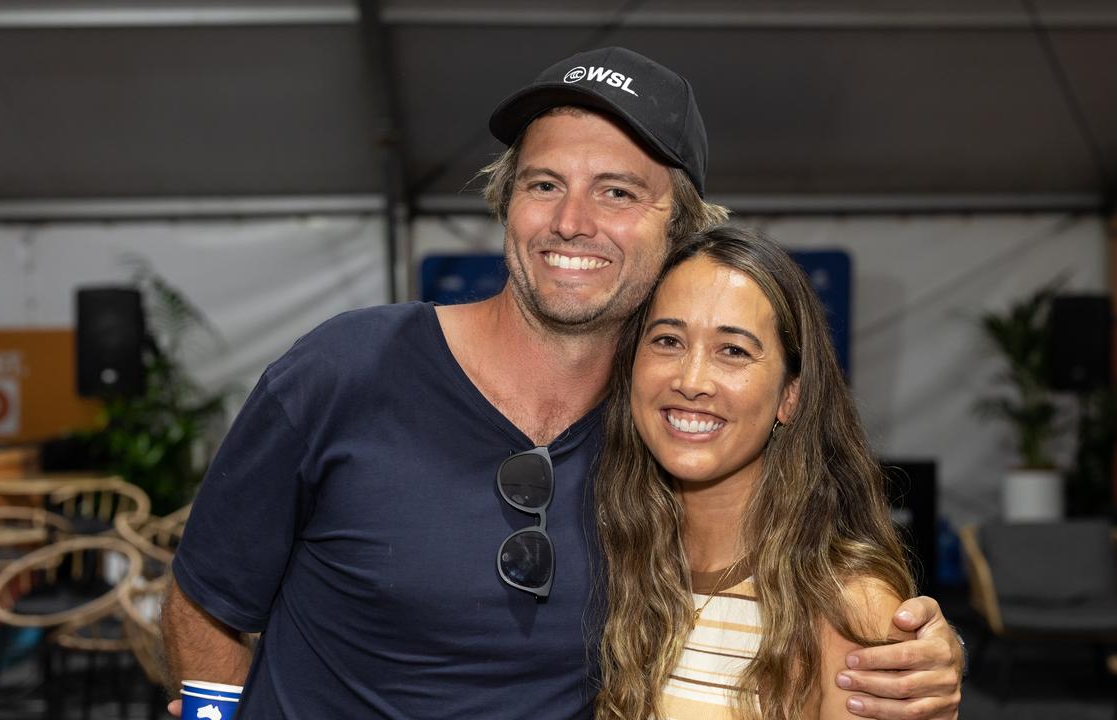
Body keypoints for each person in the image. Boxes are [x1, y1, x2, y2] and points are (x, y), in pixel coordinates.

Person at [162, 47, 962, 719]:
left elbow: (777, 584)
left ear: (680, 228)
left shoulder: (668, 428)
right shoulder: (344, 371)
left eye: (616, 191)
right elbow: (207, 598)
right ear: (506, 204)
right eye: (544, 183)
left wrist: (914, 644)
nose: (571, 220)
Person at [595, 225, 959, 720]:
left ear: (790, 395)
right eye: (667, 340)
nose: (691, 380)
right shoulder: (607, 557)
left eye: (734, 350)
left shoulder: (849, 607)